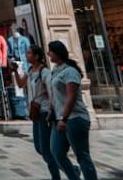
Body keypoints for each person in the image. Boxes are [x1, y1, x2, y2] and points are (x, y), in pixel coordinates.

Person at [47, 40, 97, 180]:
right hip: (59, 119)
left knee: (82, 156)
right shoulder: (56, 70)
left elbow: (71, 97)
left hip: (74, 118)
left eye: (50, 50)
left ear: (57, 52)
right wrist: (52, 111)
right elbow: (56, 94)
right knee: (56, 152)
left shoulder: (70, 71)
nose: (48, 53)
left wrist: (64, 118)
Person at [16, 43, 60, 180]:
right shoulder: (30, 71)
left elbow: (52, 92)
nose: (27, 55)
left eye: (29, 53)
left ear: (36, 56)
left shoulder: (44, 72)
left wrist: (52, 111)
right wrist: (15, 71)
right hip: (35, 113)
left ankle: (58, 175)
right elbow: (20, 84)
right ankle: (68, 167)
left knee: (46, 151)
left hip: (44, 112)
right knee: (39, 148)